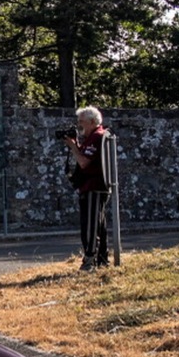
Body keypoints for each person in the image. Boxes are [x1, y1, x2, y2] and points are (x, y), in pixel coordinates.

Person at [64, 106, 109, 271]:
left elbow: (83, 162)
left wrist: (73, 146)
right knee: (99, 224)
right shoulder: (95, 136)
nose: (79, 125)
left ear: (91, 122)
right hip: (94, 186)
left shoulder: (96, 137)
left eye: (81, 122)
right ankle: (102, 259)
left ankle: (89, 260)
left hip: (93, 187)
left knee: (90, 225)